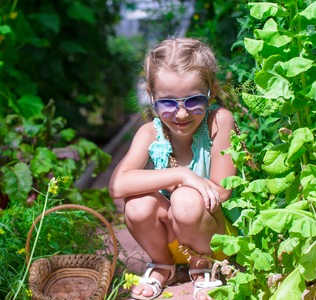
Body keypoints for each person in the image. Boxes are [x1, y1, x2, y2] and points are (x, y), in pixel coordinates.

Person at [109, 37, 238, 300]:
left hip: (216, 240)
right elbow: (117, 186)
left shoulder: (218, 121)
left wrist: (180, 186)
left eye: (193, 101)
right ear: (151, 96)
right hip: (172, 241)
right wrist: (182, 174)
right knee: (137, 204)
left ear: (212, 92)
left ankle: (203, 268)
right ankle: (162, 265)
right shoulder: (149, 133)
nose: (181, 114)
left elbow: (222, 192)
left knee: (184, 198)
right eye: (168, 103)